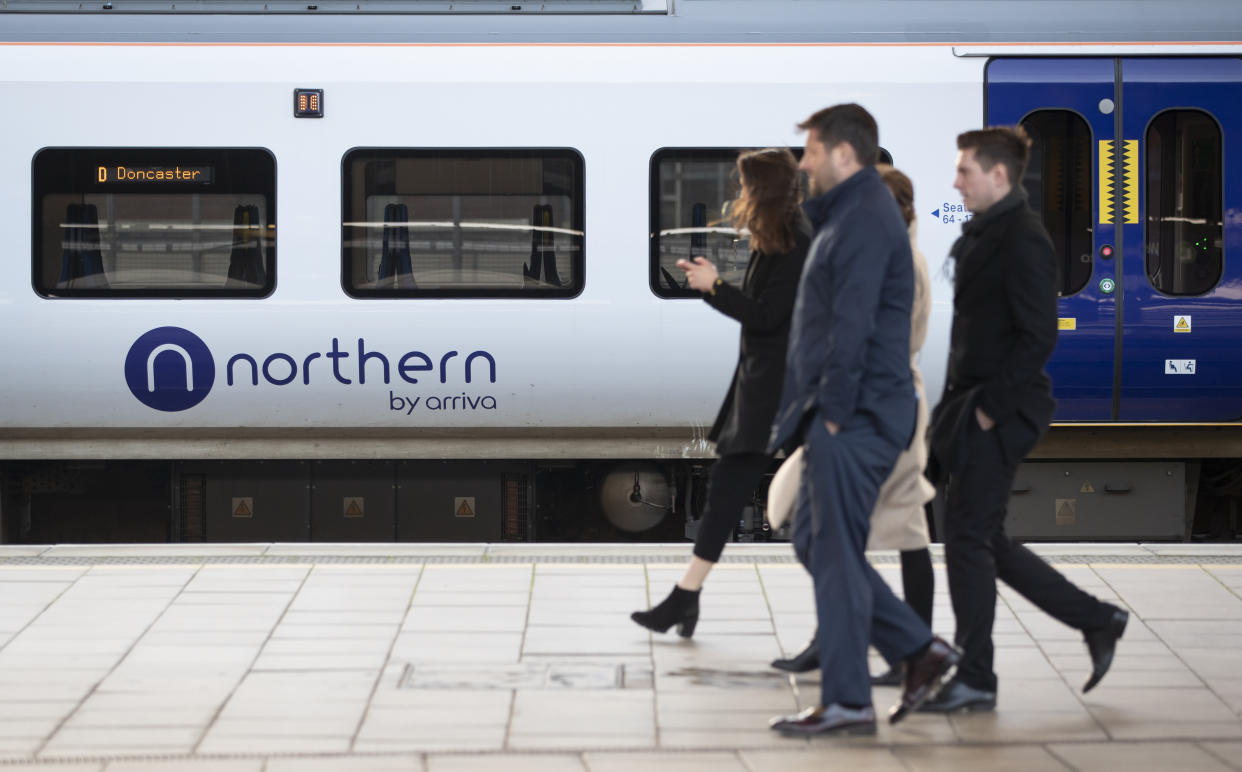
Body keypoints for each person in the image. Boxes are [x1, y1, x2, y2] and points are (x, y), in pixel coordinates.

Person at [766, 104, 958, 737]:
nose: (804, 163)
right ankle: (918, 649)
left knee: (834, 550)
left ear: (845, 153)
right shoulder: (851, 216)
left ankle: (848, 700)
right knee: (816, 543)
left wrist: (834, 417)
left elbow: (850, 326)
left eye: (812, 151)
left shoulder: (864, 221)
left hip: (856, 417)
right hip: (851, 412)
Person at [921, 127, 1128, 713]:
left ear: (999, 176)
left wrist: (989, 411)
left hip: (998, 412)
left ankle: (977, 677)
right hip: (969, 409)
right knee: (982, 537)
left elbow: (1039, 336)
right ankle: (1096, 618)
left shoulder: (1023, 241)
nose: (956, 182)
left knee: (965, 538)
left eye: (964, 171)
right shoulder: (989, 233)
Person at [631, 148, 810, 637]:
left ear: (764, 190)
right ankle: (684, 598)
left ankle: (684, 600)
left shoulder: (793, 242)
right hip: (765, 387)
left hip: (779, 391)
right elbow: (763, 311)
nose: (738, 195)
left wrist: (715, 287)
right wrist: (714, 286)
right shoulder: (778, 238)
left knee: (744, 494)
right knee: (727, 493)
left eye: (745, 185)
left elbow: (769, 318)